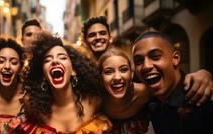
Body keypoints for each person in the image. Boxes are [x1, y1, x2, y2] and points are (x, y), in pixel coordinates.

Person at [21, 33, 128, 134]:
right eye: (48, 59)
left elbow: (130, 95)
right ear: (43, 74)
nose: (55, 61)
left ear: (74, 71)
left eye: (62, 57)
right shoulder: (34, 107)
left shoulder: (95, 100)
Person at [132, 31, 212, 134]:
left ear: (175, 58)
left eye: (155, 56)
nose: (146, 66)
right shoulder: (147, 103)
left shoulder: (202, 99)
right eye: (139, 61)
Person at [81, 16, 213, 106]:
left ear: (110, 37)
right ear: (85, 41)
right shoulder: (81, 73)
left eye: (102, 33)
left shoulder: (139, 76)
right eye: (92, 35)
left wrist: (203, 74)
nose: (98, 37)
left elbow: (169, 81)